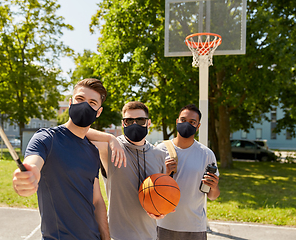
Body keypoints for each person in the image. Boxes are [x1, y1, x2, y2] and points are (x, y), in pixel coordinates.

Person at [12, 78, 111, 240]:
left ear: (98, 112)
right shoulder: (47, 138)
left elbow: (97, 200)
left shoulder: (93, 151)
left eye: (92, 102)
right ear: (71, 103)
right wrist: (27, 176)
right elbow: (32, 164)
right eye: (80, 99)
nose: (85, 105)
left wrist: (106, 238)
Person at [87, 101, 173, 240]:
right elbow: (78, 131)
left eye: (140, 120)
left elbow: (159, 193)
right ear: (123, 124)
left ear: (148, 123)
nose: (134, 124)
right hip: (118, 236)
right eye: (129, 121)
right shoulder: (111, 148)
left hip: (150, 235)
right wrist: (110, 138)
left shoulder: (159, 155)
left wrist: (162, 210)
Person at [156, 104, 220, 240]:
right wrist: (165, 174)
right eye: (183, 120)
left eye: (192, 122)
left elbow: (213, 196)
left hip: (194, 227)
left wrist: (214, 187)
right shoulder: (160, 150)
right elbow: (150, 187)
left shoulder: (207, 154)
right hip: (163, 224)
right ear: (177, 121)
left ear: (198, 126)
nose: (187, 124)